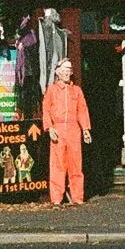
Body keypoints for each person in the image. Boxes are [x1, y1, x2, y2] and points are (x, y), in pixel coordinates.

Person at [41, 58, 91, 205]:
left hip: (73, 129)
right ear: (57, 72)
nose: (67, 73)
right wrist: (49, 128)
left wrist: (86, 129)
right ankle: (56, 198)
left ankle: (77, 197)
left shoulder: (77, 90)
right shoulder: (52, 90)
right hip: (58, 129)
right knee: (57, 165)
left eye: (69, 70)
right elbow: (46, 110)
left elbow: (82, 110)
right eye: (64, 70)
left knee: (76, 164)